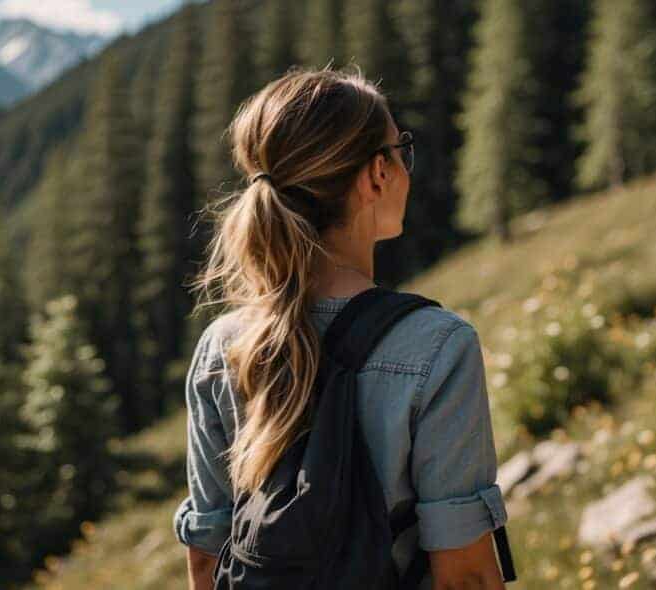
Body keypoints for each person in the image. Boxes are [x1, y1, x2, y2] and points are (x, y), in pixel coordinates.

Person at [173, 65, 509, 590]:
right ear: (378, 173)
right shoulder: (439, 347)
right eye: (403, 150)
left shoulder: (223, 346)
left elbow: (207, 556)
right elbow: (464, 576)